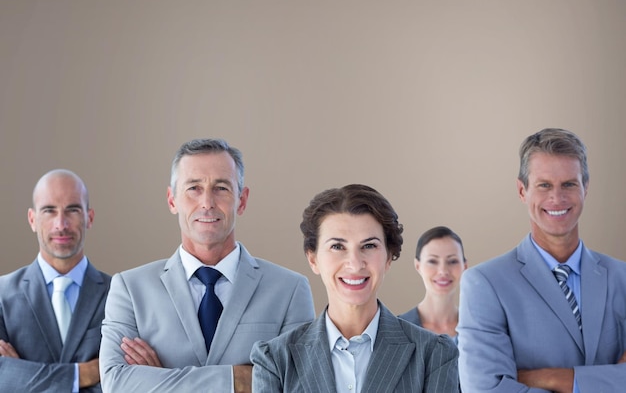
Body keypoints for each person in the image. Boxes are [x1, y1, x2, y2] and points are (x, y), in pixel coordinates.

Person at [99, 138, 315, 393]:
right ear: (172, 200)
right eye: (194, 188)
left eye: (221, 188)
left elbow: (300, 386)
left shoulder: (289, 290)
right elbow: (116, 383)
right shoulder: (130, 288)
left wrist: (161, 381)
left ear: (242, 200)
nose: (207, 202)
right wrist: (239, 379)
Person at [457, 128, 626, 392]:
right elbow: (486, 389)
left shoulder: (622, 278)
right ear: (522, 191)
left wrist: (550, 378)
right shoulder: (485, 285)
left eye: (569, 184)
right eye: (544, 185)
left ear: (586, 188)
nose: (556, 198)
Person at [251, 184, 459, 392]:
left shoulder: (433, 354)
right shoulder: (276, 360)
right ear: (313, 259)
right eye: (337, 247)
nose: (355, 263)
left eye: (369, 246)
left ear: (389, 257)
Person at [0, 169, 111, 393]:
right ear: (32, 219)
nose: (61, 224)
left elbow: (126, 379)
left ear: (89, 217)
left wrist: (23, 376)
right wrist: (86, 373)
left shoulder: (119, 293)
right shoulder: (2, 294)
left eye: (72, 210)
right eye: (49, 211)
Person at [399, 226, 467, 343]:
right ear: (418, 266)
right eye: (432, 261)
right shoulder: (397, 329)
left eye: (452, 261)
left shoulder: (478, 329)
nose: (443, 271)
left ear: (464, 266)